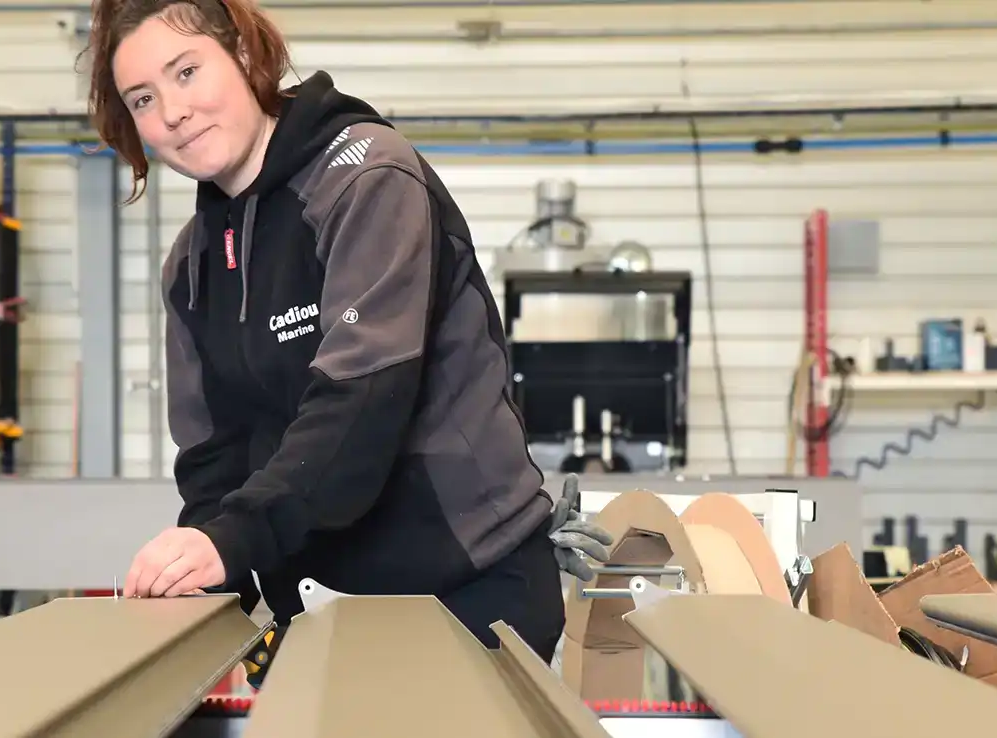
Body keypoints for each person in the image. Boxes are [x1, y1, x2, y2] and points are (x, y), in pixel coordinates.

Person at [89, 0, 611, 662]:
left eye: (186, 72)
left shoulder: (366, 178)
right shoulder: (192, 265)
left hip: (463, 590)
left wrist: (235, 539)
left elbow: (362, 403)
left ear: (246, 56)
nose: (171, 112)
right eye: (142, 99)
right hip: (319, 604)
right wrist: (204, 577)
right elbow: (212, 458)